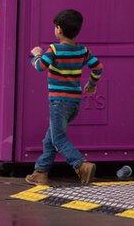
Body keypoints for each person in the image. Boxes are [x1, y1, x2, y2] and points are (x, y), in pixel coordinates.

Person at [25, 9, 103, 186]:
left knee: (58, 138)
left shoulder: (54, 49)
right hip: (74, 103)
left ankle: (80, 165)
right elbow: (98, 67)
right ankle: (41, 172)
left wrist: (36, 53)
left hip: (58, 103)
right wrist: (91, 84)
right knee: (50, 138)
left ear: (58, 29)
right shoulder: (82, 50)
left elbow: (40, 66)